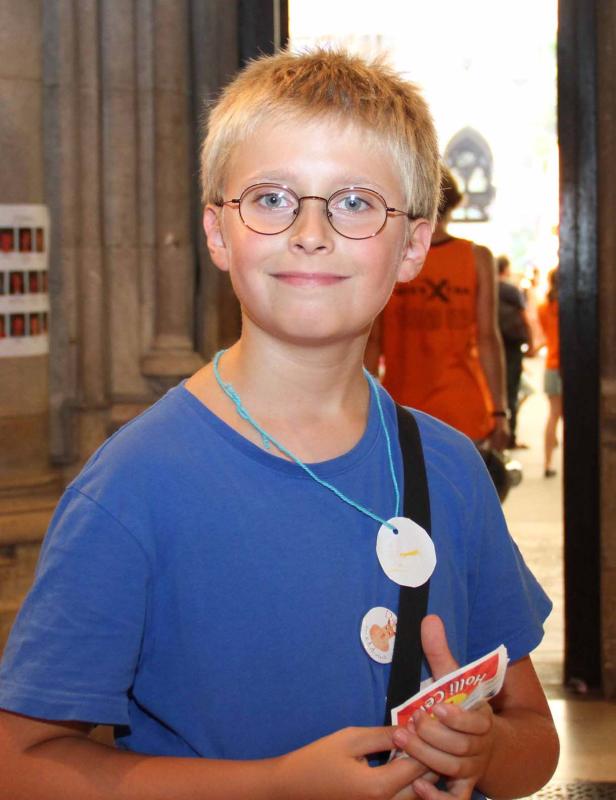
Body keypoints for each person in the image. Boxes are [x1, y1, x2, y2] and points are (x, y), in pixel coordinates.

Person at [0, 48, 558, 800]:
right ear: (218, 232)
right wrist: (269, 785)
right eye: (271, 199)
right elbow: (22, 760)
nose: (310, 232)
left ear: (414, 246)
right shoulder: (135, 485)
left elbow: (535, 742)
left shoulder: (450, 469)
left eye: (356, 203)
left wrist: (481, 749)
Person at [373, 167, 510, 454]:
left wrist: (366, 407)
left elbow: (373, 342)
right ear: (455, 202)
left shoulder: (389, 258)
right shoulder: (476, 257)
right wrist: (500, 411)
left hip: (401, 406)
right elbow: (488, 338)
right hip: (463, 407)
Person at [496, 255, 533, 449]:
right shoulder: (511, 290)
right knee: (512, 390)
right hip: (511, 347)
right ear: (506, 269)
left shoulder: (486, 287)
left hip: (495, 347)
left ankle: (497, 430)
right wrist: (532, 342)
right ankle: (510, 434)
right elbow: (524, 316)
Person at [538, 268, 561, 478]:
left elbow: (546, 333)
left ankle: (547, 463)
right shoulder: (572, 306)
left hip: (551, 365)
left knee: (553, 415)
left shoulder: (544, 307)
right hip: (570, 366)